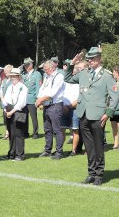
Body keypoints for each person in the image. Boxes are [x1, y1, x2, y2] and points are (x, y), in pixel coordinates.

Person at [65, 47, 118, 185]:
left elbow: (115, 96)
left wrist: (108, 113)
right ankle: (91, 173)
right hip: (83, 114)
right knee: (89, 146)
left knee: (98, 146)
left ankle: (99, 175)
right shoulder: (84, 73)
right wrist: (72, 63)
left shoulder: (107, 76)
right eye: (88, 58)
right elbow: (68, 78)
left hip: (98, 115)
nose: (90, 60)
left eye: (93, 58)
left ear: (99, 59)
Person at [36, 60, 65, 160]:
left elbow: (52, 92)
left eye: (46, 69)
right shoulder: (47, 77)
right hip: (47, 105)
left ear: (52, 68)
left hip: (55, 105)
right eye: (44, 69)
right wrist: (39, 100)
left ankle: (59, 151)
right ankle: (47, 150)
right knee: (47, 129)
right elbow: (42, 89)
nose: (45, 71)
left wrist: (40, 100)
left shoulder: (59, 77)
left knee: (57, 130)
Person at [1, 68, 28, 161]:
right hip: (9, 110)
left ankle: (19, 154)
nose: (12, 78)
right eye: (11, 76)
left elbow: (21, 103)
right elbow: (6, 100)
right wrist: (5, 109)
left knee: (19, 133)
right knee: (11, 133)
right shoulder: (10, 87)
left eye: (14, 76)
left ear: (19, 77)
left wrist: (11, 112)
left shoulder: (23, 88)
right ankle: (11, 153)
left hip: (18, 111)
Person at [22, 57, 42, 139]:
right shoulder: (24, 75)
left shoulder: (37, 74)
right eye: (25, 65)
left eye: (27, 65)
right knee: (24, 117)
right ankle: (25, 132)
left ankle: (35, 133)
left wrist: (38, 99)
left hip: (32, 98)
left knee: (33, 117)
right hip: (24, 99)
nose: (26, 67)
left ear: (31, 65)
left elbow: (38, 87)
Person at [0, 64, 13, 140]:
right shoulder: (4, 80)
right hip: (4, 102)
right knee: (5, 118)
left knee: (10, 118)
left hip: (10, 102)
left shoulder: (13, 80)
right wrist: (2, 99)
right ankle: (7, 132)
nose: (5, 73)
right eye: (5, 72)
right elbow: (1, 90)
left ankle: (11, 133)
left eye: (7, 72)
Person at [110, 65, 119, 150]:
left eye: (113, 72)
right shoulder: (114, 83)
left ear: (117, 72)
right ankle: (116, 144)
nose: (113, 74)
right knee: (114, 127)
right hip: (114, 109)